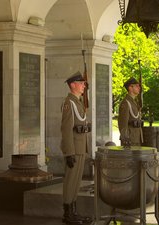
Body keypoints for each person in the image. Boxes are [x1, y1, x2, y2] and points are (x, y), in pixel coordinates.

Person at [60, 71, 92, 224]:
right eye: (81, 83)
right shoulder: (69, 103)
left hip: (80, 148)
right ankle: (67, 214)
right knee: (70, 181)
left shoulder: (77, 102)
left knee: (76, 182)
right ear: (73, 85)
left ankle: (73, 212)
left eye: (84, 83)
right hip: (74, 148)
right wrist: (69, 152)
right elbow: (66, 129)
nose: (84, 86)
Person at [118, 77, 143, 146]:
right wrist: (125, 139)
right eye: (137, 86)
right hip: (130, 139)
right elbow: (123, 123)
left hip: (136, 137)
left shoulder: (134, 102)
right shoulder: (126, 103)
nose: (139, 88)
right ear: (130, 88)